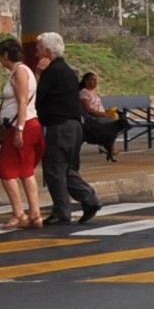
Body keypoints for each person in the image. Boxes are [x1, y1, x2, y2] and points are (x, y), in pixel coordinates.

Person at [32, 31, 100, 230]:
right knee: (66, 168)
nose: (36, 54)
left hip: (59, 126)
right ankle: (89, 199)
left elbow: (37, 96)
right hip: (73, 126)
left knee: (54, 169)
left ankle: (62, 211)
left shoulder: (52, 72)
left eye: (38, 50)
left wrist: (37, 74)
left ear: (47, 51)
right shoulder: (68, 70)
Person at [0, 37, 46, 229]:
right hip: (29, 124)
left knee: (5, 170)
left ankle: (19, 213)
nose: (0, 60)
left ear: (6, 55)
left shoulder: (19, 72)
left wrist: (19, 130)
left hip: (22, 126)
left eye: (0, 56)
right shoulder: (26, 71)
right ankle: (35, 214)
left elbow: (23, 101)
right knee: (26, 171)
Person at [77, 69, 129, 162]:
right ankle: (107, 143)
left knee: (121, 123)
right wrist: (104, 115)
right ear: (86, 81)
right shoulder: (84, 93)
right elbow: (88, 110)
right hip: (93, 117)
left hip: (101, 115)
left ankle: (106, 142)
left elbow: (98, 106)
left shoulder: (94, 92)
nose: (95, 82)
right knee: (115, 123)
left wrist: (108, 112)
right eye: (93, 80)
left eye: (96, 80)